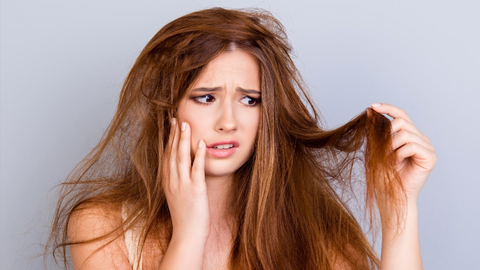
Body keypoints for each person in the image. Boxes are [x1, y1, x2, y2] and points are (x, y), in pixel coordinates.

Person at [47, 7, 437, 270]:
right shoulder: (102, 225)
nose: (228, 121)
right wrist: (189, 231)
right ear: (168, 110)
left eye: (250, 100)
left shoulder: (316, 231)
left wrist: (399, 209)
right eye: (206, 97)